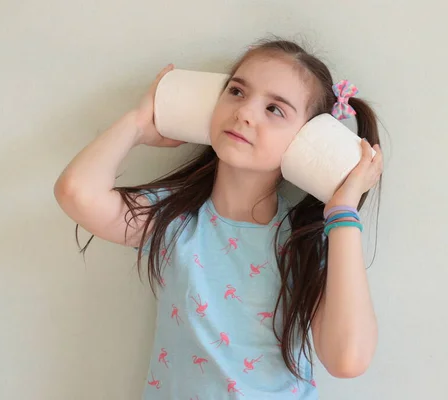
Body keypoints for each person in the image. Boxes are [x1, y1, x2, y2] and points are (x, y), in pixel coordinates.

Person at [54, 38, 384, 400]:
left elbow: (347, 359)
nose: (245, 113)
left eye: (275, 109)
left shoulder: (303, 242)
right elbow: (76, 193)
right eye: (237, 91)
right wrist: (137, 124)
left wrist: (343, 212)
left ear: (309, 138)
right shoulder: (171, 220)